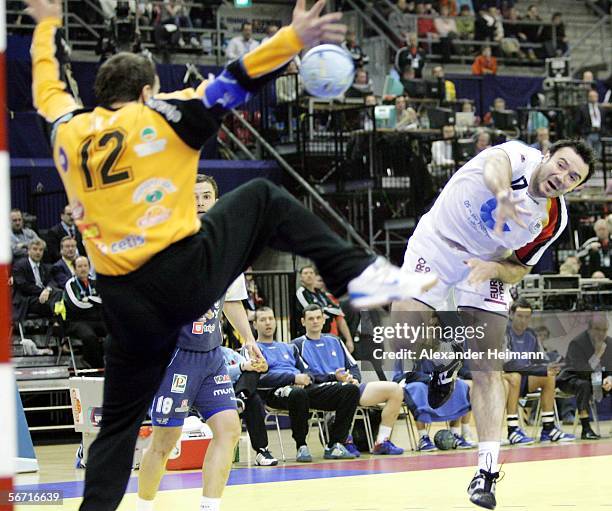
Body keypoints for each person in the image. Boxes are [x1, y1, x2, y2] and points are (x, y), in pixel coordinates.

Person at [27, 1, 436, 509]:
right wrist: (292, 37)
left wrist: (46, 23)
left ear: (99, 95)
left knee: (117, 428)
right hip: (181, 273)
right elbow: (235, 79)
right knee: (264, 199)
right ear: (146, 91)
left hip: (124, 300)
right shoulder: (163, 116)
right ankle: (359, 276)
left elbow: (47, 88)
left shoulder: (67, 130)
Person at [391, 138, 595, 510]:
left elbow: (520, 269)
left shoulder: (554, 217)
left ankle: (485, 472)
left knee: (488, 369)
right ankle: (443, 358)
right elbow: (495, 165)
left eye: (573, 177)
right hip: (437, 243)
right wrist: (503, 195)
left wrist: (494, 269)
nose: (563, 177)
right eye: (562, 165)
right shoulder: (516, 156)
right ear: (546, 156)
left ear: (576, 188)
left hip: (487, 266)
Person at [137, 174, 270, 509]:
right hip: (176, 357)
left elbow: (233, 300)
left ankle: (209, 506)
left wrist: (249, 340)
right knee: (165, 441)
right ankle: (143, 505)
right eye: (193, 197)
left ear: (216, 200)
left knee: (228, 429)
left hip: (211, 356)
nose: (199, 203)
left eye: (206, 197)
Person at [293, 304, 405, 455]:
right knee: (346, 391)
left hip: (348, 387)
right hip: (323, 391)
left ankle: (382, 442)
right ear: (303, 322)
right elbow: (305, 375)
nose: (315, 321)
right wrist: (335, 377)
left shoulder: (335, 340)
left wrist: (354, 379)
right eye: (310, 318)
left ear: (324, 320)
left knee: (395, 390)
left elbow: (353, 366)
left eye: (318, 317)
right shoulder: (297, 345)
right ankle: (345, 440)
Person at [255, 306, 360, 462]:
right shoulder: (253, 349)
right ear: (255, 324)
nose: (268, 323)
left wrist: (305, 378)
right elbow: (259, 380)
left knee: (350, 390)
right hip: (276, 392)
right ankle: (301, 446)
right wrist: (292, 379)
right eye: (263, 320)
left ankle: (335, 444)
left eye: (270, 319)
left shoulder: (288, 347)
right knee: (298, 394)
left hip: (302, 388)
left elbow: (308, 371)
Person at [502, 298, 574, 444]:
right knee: (514, 376)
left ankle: (548, 428)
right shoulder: (504, 333)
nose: (523, 320)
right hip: (505, 381)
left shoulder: (531, 335)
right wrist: (540, 369)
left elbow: (540, 360)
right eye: (520, 316)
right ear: (511, 315)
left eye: (527, 317)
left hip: (525, 379)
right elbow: (508, 365)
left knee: (548, 376)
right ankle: (512, 430)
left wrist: (551, 366)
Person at [557, 314, 612, 439]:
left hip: (596, 379)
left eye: (604, 330)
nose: (601, 333)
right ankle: (586, 429)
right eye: (598, 329)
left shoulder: (609, 343)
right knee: (584, 385)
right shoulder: (578, 343)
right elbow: (582, 372)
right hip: (571, 379)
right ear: (589, 329)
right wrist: (597, 355)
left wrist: (609, 378)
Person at [63, 256, 107, 369]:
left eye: (85, 266)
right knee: (89, 337)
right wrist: (95, 301)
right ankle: (96, 366)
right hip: (76, 321)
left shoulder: (95, 282)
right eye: (79, 266)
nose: (83, 269)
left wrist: (89, 299)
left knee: (115, 331)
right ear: (74, 269)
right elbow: (76, 305)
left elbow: (104, 301)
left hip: (96, 319)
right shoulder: (70, 284)